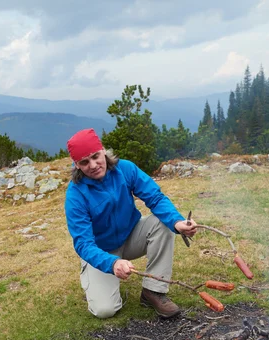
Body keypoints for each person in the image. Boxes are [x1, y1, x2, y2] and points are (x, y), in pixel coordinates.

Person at [64, 128, 198, 319]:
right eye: (85, 162)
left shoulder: (125, 169)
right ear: (77, 165)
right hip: (103, 251)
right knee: (105, 310)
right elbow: (83, 244)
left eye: (95, 156)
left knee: (163, 223)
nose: (93, 165)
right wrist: (113, 263)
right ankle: (99, 279)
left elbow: (155, 197)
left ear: (102, 150)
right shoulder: (75, 195)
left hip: (131, 235)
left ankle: (154, 291)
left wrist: (177, 222)